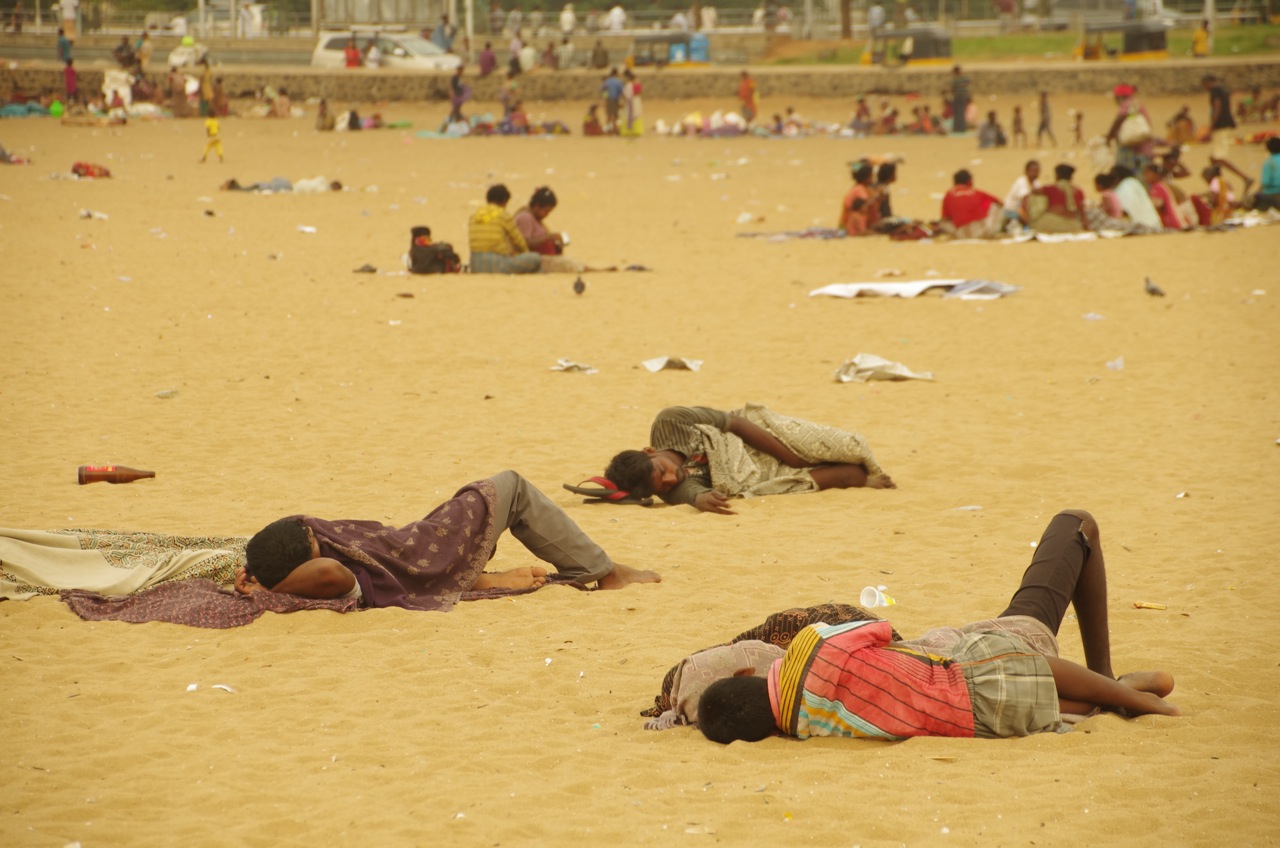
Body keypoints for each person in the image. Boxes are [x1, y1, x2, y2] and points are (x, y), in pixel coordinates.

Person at [697, 510, 1180, 743]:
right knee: (1077, 523)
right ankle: (1115, 683)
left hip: (976, 720)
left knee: (1051, 700)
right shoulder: (810, 647)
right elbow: (880, 632)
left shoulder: (808, 727)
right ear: (745, 673)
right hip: (974, 665)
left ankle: (1113, 694)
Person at [236, 470, 660, 610]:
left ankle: (598, 567)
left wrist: (258, 573)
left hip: (414, 542)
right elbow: (328, 570)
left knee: (504, 490)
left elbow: (297, 531)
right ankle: (603, 571)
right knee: (510, 487)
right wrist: (271, 588)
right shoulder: (331, 578)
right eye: (312, 540)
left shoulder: (306, 567)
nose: (317, 533)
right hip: (426, 553)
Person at [602, 404, 894, 515]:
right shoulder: (672, 490)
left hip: (757, 436)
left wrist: (792, 458)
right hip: (753, 474)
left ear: (650, 451)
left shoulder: (671, 421)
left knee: (848, 444)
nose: (670, 479)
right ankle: (867, 481)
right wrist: (699, 499)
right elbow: (689, 493)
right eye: (661, 486)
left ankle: (866, 471)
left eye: (662, 471)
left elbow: (736, 424)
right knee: (849, 476)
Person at [513, 186, 615, 273]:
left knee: (569, 262)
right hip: (536, 260)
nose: (547, 215)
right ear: (537, 206)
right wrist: (548, 237)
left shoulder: (534, 218)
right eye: (546, 211)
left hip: (546, 257)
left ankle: (593, 270)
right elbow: (524, 242)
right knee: (567, 263)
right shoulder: (525, 217)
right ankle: (596, 271)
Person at [468, 183, 541, 274]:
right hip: (496, 263)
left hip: (475, 264)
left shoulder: (474, 216)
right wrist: (526, 254)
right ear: (505, 201)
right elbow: (518, 241)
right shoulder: (503, 215)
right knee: (535, 258)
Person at [937, 169, 1002, 239]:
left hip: (960, 234)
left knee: (944, 223)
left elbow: (945, 218)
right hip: (983, 231)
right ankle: (998, 229)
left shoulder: (949, 194)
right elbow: (999, 202)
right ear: (969, 181)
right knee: (995, 206)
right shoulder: (976, 192)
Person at [1106, 83, 1155, 177]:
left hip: (1134, 151)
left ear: (1120, 96)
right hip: (1144, 149)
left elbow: (1120, 118)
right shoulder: (1137, 103)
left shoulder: (1128, 104)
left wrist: (1109, 136)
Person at [1024, 163, 1087, 233]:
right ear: (1071, 177)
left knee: (1036, 223)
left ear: (1057, 176)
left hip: (1051, 223)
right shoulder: (1079, 191)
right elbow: (1082, 213)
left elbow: (1033, 191)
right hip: (1072, 225)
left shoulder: (1051, 188)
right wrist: (1086, 227)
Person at [1108, 165, 1162, 230]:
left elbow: (1123, 210)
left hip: (1143, 227)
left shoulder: (1125, 186)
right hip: (1154, 224)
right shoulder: (1134, 183)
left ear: (1116, 177)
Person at [1202, 74, 1237, 166]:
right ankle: (1216, 170)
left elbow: (1217, 107)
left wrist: (1212, 125)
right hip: (1226, 122)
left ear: (1208, 82)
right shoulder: (1223, 90)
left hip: (1220, 124)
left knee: (1219, 156)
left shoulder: (1215, 91)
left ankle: (1242, 175)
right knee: (1215, 156)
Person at [838, 162, 880, 235]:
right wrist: (877, 196)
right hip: (850, 223)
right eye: (871, 176)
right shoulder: (860, 189)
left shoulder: (857, 188)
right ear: (866, 178)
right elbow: (866, 202)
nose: (873, 179)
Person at [1143, 162, 1188, 230]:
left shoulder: (1157, 188)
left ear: (1156, 175)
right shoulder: (1161, 186)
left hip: (1170, 223)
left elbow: (1158, 205)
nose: (1145, 177)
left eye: (1147, 174)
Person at [1244, 136, 1280, 212]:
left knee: (1250, 200)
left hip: (1273, 194)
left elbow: (1265, 182)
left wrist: (1258, 191)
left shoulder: (1269, 162)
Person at [1003, 159, 1040, 230]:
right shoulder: (1022, 182)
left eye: (1037, 171)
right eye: (1033, 171)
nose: (1035, 174)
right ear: (1026, 171)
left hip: (1023, 210)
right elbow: (1025, 203)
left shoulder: (1036, 183)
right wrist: (1028, 221)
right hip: (1011, 211)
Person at [620, 69, 643, 136]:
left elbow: (628, 94)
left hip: (632, 100)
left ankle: (631, 129)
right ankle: (634, 129)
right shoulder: (635, 83)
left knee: (631, 114)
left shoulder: (630, 84)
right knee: (635, 114)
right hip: (635, 100)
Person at [600, 67, 623, 133]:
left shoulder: (607, 81)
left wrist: (605, 97)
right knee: (616, 115)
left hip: (608, 100)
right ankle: (615, 129)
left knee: (609, 115)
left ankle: (608, 129)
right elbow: (621, 91)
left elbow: (602, 89)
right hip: (615, 100)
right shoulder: (618, 82)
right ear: (616, 74)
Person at [950, 65, 970, 132]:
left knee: (957, 113)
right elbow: (969, 80)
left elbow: (952, 89)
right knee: (961, 112)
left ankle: (958, 128)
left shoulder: (955, 80)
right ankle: (962, 127)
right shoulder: (964, 78)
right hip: (963, 97)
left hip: (957, 97)